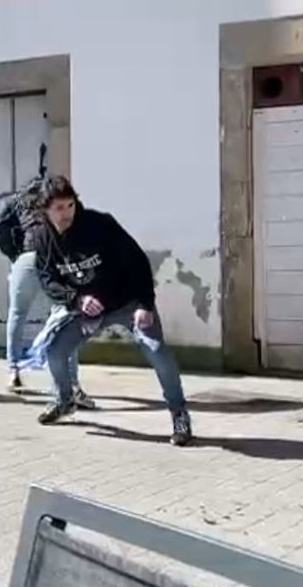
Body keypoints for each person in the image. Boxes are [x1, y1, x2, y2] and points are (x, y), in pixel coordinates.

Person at [30, 175, 193, 445]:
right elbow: (48, 280)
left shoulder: (99, 224)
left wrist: (144, 303)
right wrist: (76, 299)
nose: (66, 213)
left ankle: (180, 415)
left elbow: (138, 260)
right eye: (58, 208)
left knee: (156, 351)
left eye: (70, 205)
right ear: (45, 210)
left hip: (127, 301)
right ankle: (64, 401)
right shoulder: (42, 239)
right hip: (85, 309)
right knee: (55, 351)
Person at [0, 164, 93, 406]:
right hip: (56, 258)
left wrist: (14, 254)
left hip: (27, 257)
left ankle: (13, 370)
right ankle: (72, 382)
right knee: (67, 318)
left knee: (18, 313)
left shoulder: (17, 200)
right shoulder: (62, 202)